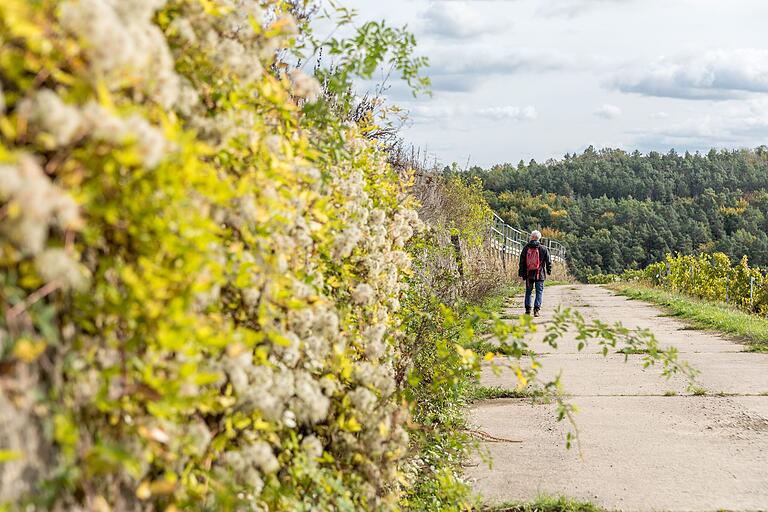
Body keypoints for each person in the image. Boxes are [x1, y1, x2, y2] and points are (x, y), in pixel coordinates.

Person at [518, 230, 552, 317]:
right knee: (539, 292)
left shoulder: (526, 247)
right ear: (539, 238)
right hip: (539, 274)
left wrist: (521, 273)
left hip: (529, 274)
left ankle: (528, 310)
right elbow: (548, 261)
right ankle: (536, 310)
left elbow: (522, 261)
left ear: (532, 237)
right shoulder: (544, 248)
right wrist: (548, 270)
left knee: (528, 292)